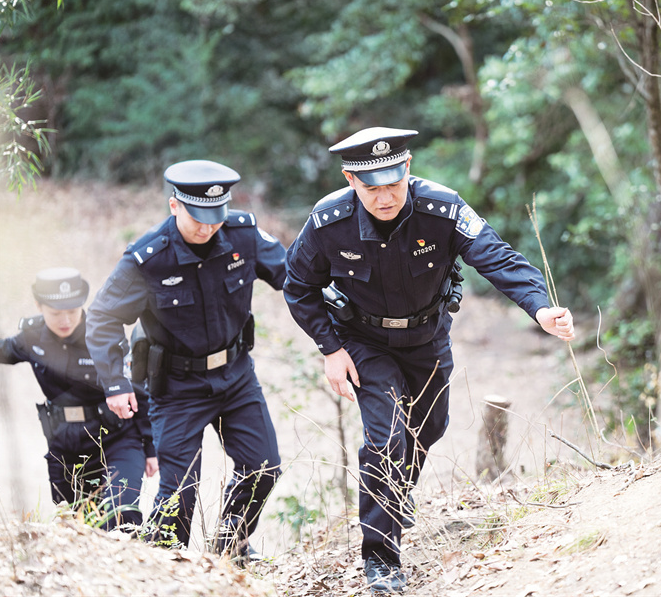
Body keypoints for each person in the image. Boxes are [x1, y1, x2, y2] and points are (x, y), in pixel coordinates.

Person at [282, 127, 575, 592]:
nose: (385, 197)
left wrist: (539, 307)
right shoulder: (327, 221)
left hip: (427, 337)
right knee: (385, 439)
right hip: (363, 342)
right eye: (372, 188)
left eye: (393, 184)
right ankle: (381, 558)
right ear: (350, 181)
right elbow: (297, 287)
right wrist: (331, 349)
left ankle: (396, 493)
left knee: (430, 426)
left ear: (408, 167)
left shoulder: (444, 207)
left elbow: (496, 257)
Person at [86, 160, 287, 562]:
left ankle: (232, 546)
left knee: (263, 466)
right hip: (177, 387)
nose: (207, 227)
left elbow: (293, 274)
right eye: (198, 218)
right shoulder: (148, 259)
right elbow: (102, 317)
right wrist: (115, 382)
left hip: (235, 377)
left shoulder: (242, 235)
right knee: (179, 489)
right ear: (175, 206)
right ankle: (166, 565)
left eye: (216, 217)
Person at [1, 267, 157, 530]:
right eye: (55, 313)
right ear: (39, 306)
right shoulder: (31, 336)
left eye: (72, 311)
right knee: (76, 527)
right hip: (65, 444)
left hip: (117, 438)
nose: (65, 320)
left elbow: (138, 391)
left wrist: (151, 447)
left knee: (121, 516)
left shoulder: (103, 335)